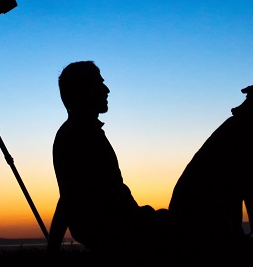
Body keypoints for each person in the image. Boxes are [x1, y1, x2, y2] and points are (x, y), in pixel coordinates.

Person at [48, 61, 168, 255]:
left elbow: (68, 197)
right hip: (120, 230)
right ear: (84, 91)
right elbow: (72, 199)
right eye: (99, 83)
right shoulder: (81, 135)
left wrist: (52, 248)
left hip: (122, 224)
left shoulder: (79, 132)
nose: (107, 89)